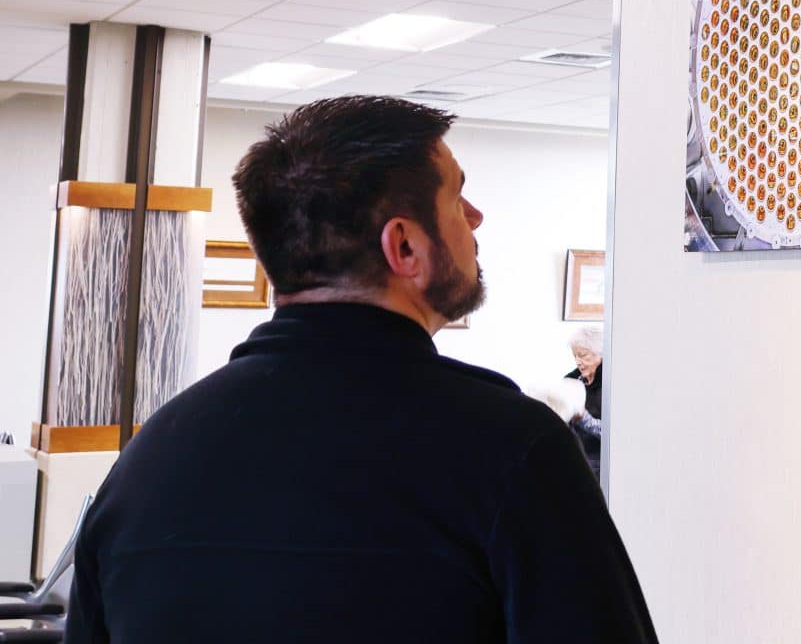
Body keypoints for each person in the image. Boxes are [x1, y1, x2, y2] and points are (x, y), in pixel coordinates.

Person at [62, 96, 658, 643]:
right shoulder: (510, 450)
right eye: (456, 197)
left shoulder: (149, 459)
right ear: (403, 247)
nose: (475, 218)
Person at [537, 377, 604, 477]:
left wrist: (585, 420)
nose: (580, 362)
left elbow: (613, 435)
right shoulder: (571, 382)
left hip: (595, 471)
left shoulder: (607, 388)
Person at [567, 323, 604, 420]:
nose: (577, 362)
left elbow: (612, 431)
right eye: (575, 356)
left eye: (583, 355)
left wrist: (583, 418)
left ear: (600, 353)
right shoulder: (571, 380)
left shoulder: (609, 386)